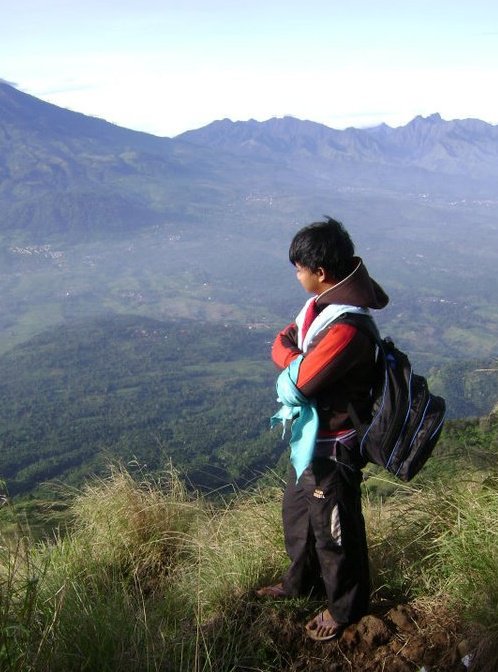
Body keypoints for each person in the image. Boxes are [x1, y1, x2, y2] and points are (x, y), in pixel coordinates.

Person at [256, 217, 389, 641]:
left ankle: (345, 608)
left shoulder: (346, 327)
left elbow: (300, 382)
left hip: (335, 447)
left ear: (321, 272)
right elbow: (284, 340)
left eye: (299, 269)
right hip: (310, 444)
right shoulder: (321, 310)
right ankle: (300, 585)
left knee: (335, 529)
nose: (297, 276)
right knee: (298, 516)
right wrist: (293, 355)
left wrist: (290, 359)